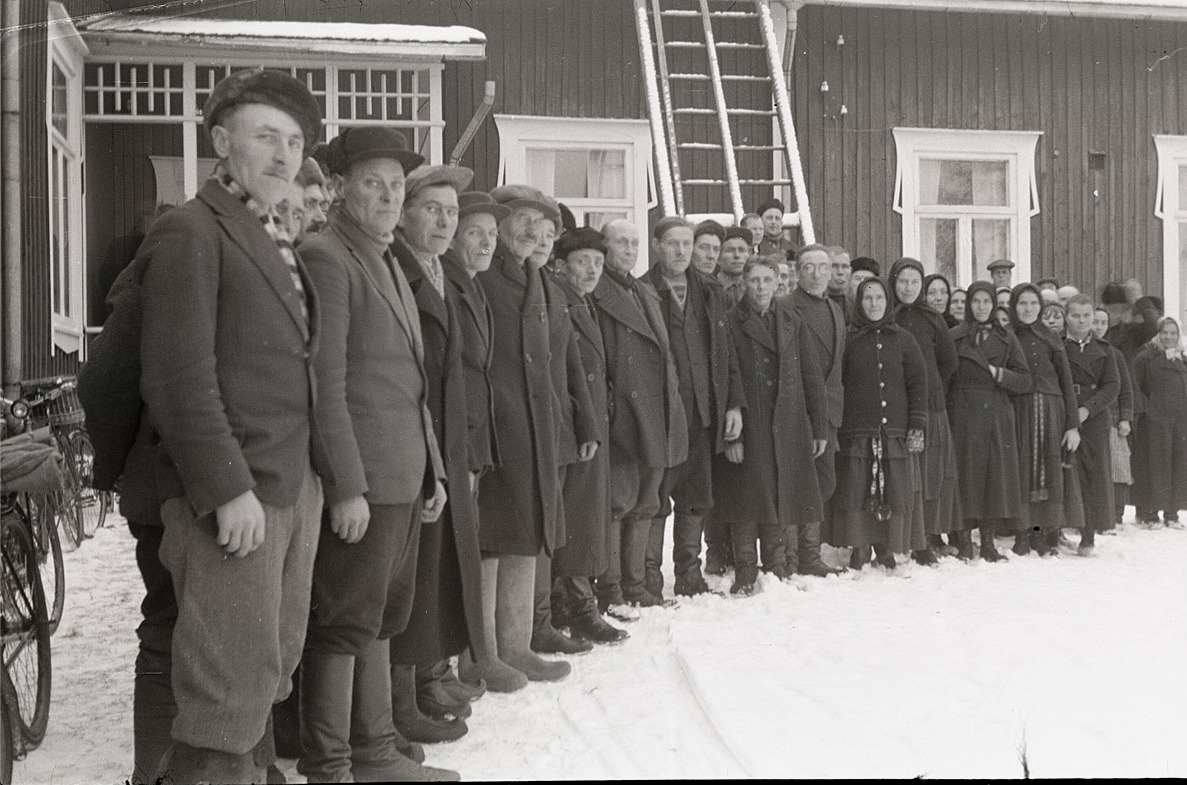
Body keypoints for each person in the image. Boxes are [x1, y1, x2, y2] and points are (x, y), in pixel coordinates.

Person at [138, 68, 326, 783]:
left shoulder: (268, 232)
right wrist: (225, 489)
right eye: (265, 138)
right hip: (235, 501)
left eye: (294, 142)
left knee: (263, 675)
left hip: (287, 489)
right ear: (221, 142)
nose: (283, 156)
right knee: (223, 701)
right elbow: (177, 378)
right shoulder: (193, 229)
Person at [297, 127, 456, 781]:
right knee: (343, 621)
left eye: (397, 185)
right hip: (364, 479)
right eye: (373, 182)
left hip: (403, 474)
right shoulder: (328, 256)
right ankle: (332, 762)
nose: (390, 196)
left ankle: (375, 745)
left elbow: (411, 380)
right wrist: (346, 485)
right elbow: (322, 383)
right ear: (338, 188)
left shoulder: (386, 257)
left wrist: (433, 469)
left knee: (383, 615)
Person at [469, 184, 593, 685]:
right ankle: (483, 654)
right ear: (500, 224)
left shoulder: (535, 277)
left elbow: (563, 359)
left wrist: (574, 421)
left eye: (544, 229)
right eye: (523, 221)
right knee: (492, 542)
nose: (535, 235)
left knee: (525, 537)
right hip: (499, 428)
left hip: (537, 429)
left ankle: (516, 646)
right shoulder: (485, 274)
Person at [388, 164, 494, 745]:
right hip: (412, 444)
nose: (446, 221)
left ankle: (423, 683)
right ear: (405, 213)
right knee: (410, 578)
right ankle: (401, 702)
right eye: (432, 208)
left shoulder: (436, 270)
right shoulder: (398, 267)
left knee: (431, 572)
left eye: (452, 212)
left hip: (443, 442)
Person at [440, 192, 528, 694]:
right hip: (456, 442)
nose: (486, 242)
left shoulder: (470, 286)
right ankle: (466, 662)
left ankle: (478, 658)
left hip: (474, 441)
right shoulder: (452, 284)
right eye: (475, 232)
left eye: (491, 235)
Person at [591, 219, 689, 615]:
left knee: (647, 501)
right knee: (619, 501)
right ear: (605, 247)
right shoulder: (597, 293)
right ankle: (612, 588)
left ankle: (635, 584)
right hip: (624, 417)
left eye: (634, 243)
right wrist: (613, 410)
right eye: (621, 242)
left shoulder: (644, 291)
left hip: (656, 413)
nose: (629, 250)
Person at [645, 216, 745, 599]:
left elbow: (726, 354)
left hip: (702, 416)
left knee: (695, 499)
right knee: (655, 502)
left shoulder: (709, 291)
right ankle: (648, 580)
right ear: (658, 246)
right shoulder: (643, 290)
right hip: (662, 419)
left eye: (688, 244)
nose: (682, 251)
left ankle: (689, 575)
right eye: (673, 243)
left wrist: (733, 404)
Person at [715, 257, 827, 594]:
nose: (762, 287)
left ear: (779, 282)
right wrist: (731, 436)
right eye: (755, 281)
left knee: (782, 491)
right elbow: (726, 377)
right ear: (744, 283)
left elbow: (811, 376)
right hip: (751, 422)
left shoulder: (792, 320)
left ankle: (777, 564)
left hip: (788, 422)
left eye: (768, 280)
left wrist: (818, 426)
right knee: (747, 498)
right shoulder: (731, 323)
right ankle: (747, 568)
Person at [549, 227, 631, 645]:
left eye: (598, 263)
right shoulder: (559, 301)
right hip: (575, 429)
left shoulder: (583, 303)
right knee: (577, 520)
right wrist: (587, 425)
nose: (593, 270)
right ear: (561, 265)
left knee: (580, 518)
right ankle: (580, 609)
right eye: (583, 262)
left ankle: (567, 603)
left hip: (590, 427)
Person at [831, 277, 928, 570]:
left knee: (893, 489)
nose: (874, 304)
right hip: (858, 430)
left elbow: (918, 383)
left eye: (879, 299)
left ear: (888, 302)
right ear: (859, 303)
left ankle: (886, 546)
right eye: (868, 298)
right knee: (859, 489)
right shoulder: (848, 339)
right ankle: (860, 547)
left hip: (894, 430)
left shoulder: (904, 340)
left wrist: (917, 423)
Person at [948, 281, 1032, 562]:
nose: (981, 307)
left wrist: (999, 374)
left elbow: (1025, 380)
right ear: (968, 304)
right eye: (976, 301)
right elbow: (944, 377)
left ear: (995, 304)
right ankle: (962, 541)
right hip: (962, 412)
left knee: (992, 478)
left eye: (986, 301)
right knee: (964, 475)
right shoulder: (955, 336)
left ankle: (987, 542)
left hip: (996, 412)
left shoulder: (1007, 338)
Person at [889, 258, 961, 563]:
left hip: (929, 409)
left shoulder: (933, 319)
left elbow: (948, 361)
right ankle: (897, 537)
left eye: (914, 282)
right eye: (902, 281)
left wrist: (931, 388)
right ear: (893, 282)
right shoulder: (885, 314)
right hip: (893, 408)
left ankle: (926, 538)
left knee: (929, 475)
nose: (908, 288)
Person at [786, 244, 847, 576]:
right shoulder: (785, 307)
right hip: (796, 412)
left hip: (829, 412)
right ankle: (792, 557)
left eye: (823, 267)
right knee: (797, 484)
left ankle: (810, 553)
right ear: (798, 272)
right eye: (808, 267)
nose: (817, 273)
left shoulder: (835, 310)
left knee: (823, 482)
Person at [1009, 283, 1082, 557]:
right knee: (1022, 469)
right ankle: (1021, 533)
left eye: (1033, 304)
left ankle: (1040, 535)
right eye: (1022, 304)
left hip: (1052, 412)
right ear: (1014, 307)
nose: (1028, 309)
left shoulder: (1051, 338)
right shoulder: (1007, 336)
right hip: (1020, 410)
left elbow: (1066, 381)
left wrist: (1072, 425)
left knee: (1048, 472)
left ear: (1040, 307)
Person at [1063, 294, 1121, 557]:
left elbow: (1112, 386)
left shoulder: (1105, 350)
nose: (1082, 321)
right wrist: (1072, 414)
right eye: (1076, 316)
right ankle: (1061, 529)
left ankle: (1088, 536)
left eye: (1087, 316)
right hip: (1066, 415)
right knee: (1068, 473)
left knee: (1093, 477)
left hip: (1095, 419)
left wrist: (1088, 409)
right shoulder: (1059, 347)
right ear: (1066, 317)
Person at [1132, 317, 1187, 528]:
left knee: (1177, 465)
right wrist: (1148, 408)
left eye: (1173, 333)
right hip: (1154, 422)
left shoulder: (1182, 360)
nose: (1169, 337)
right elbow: (1136, 388)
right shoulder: (1145, 358)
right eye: (1165, 332)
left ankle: (1172, 513)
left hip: (1179, 423)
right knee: (1154, 466)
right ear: (1157, 334)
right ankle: (1149, 513)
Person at [1093, 306, 1134, 531]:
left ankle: (1116, 514)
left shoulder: (1114, 353)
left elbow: (1126, 389)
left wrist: (1125, 418)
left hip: (1113, 420)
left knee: (1117, 468)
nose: (1098, 327)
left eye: (1102, 323)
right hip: (1091, 419)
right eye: (1095, 322)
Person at [717, 226, 752, 305]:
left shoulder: (756, 288)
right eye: (729, 250)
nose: (737, 255)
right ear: (718, 257)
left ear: (749, 254)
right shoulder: (710, 290)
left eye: (742, 250)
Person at [843, 256, 880, 324]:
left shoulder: (880, 310)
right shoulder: (839, 308)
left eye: (867, 279)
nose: (862, 283)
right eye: (857, 278)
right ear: (849, 281)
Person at [825, 245, 851, 313]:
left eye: (845, 267)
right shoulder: (810, 305)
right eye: (834, 266)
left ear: (850, 270)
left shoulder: (857, 306)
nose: (840, 272)